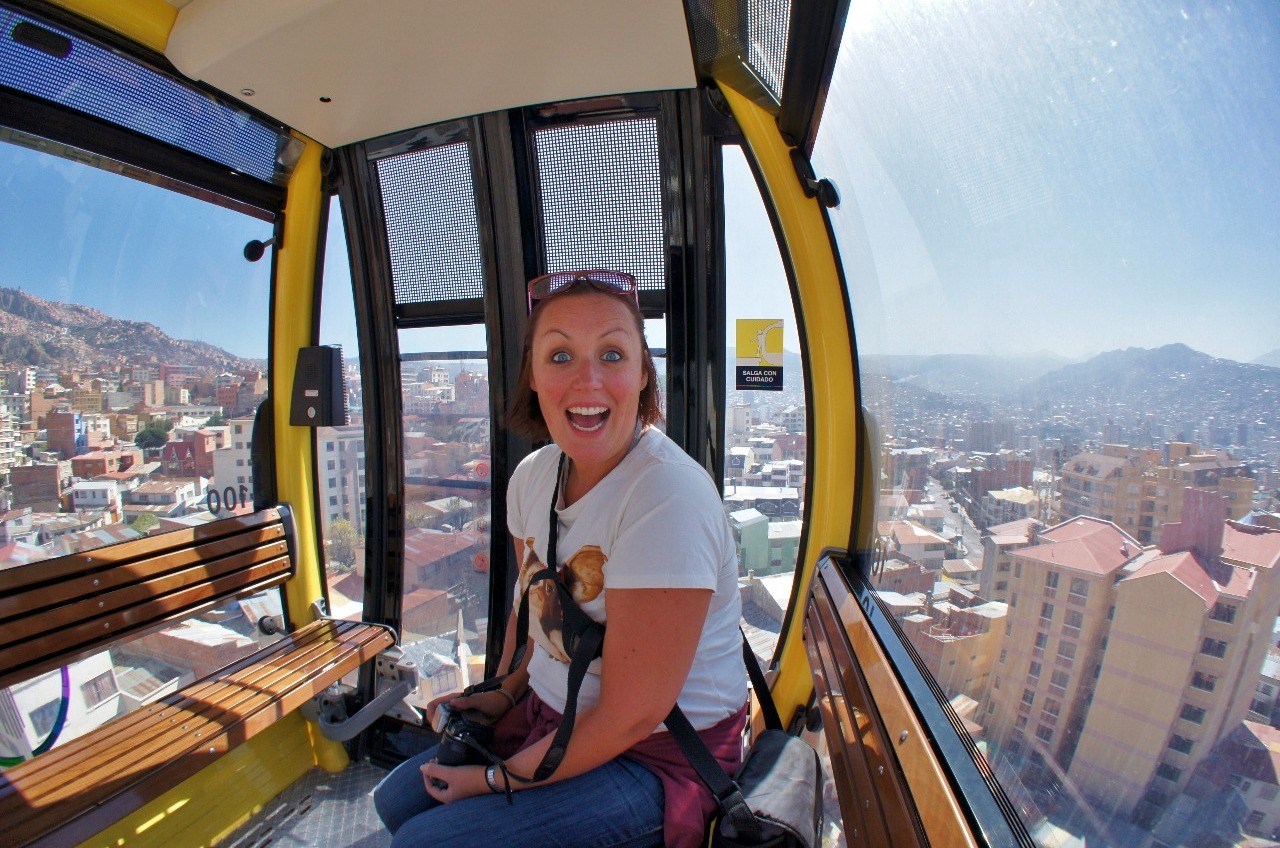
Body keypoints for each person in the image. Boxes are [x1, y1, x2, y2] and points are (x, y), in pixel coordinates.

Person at [373, 270, 748, 847]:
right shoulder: (533, 477)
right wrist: (501, 692)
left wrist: (494, 780)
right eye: (561, 355)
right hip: (554, 713)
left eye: (612, 354)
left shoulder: (666, 496)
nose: (587, 379)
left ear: (643, 374)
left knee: (422, 842)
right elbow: (534, 615)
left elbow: (629, 716)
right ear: (533, 376)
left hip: (656, 754)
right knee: (396, 802)